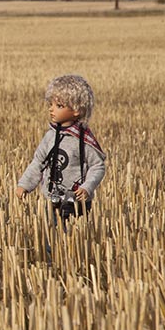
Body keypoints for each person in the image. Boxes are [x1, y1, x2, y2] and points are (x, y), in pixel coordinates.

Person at [16, 74, 106, 230]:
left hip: (78, 206)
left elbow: (98, 166)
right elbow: (38, 163)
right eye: (50, 104)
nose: (51, 109)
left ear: (77, 110)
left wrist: (87, 187)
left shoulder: (84, 140)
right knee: (51, 241)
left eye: (59, 106)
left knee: (77, 242)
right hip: (52, 202)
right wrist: (24, 185)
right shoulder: (50, 137)